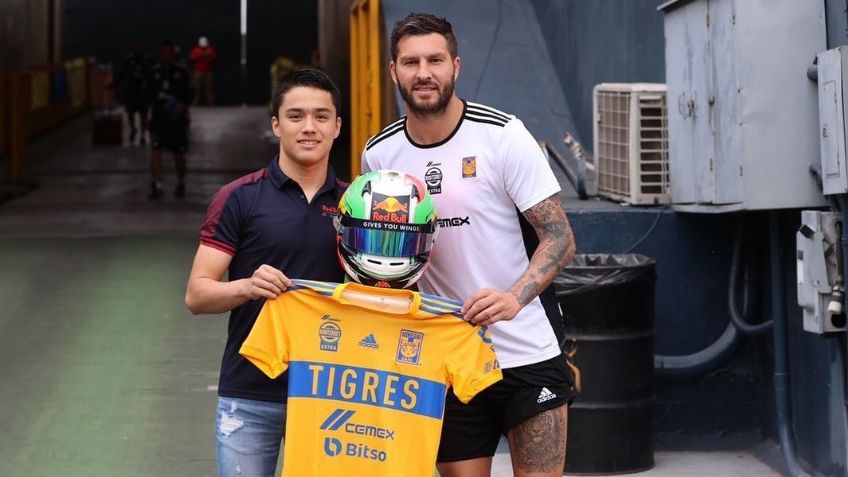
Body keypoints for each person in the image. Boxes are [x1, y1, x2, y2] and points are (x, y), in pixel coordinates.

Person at [361, 12, 578, 477]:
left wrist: (513, 297)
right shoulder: (378, 155)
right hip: (447, 357)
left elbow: (559, 237)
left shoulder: (502, 135)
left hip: (527, 352)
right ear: (393, 71)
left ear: (455, 65)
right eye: (411, 61)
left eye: (435, 59)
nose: (424, 72)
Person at [238, 170, 503, 477]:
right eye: (371, 237)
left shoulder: (454, 328)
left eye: (399, 244)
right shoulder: (294, 305)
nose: (384, 255)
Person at [185, 67, 346, 477]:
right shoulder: (239, 198)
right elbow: (198, 295)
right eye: (295, 116)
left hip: (333, 396)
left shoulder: (357, 207)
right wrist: (247, 285)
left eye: (321, 116)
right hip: (250, 395)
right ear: (276, 124)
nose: (309, 127)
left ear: (337, 126)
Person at [147, 40, 193, 199]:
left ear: (174, 54)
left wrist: (183, 105)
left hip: (176, 119)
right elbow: (149, 95)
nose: (166, 55)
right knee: (156, 151)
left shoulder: (182, 72)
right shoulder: (154, 72)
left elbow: (190, 92)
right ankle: (158, 185)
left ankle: (181, 181)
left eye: (169, 52)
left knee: (178, 154)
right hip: (159, 118)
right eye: (164, 52)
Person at [111, 40, 153, 145]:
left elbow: (153, 75)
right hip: (131, 91)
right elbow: (122, 73)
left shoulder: (148, 60)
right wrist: (114, 84)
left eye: (141, 47)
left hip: (143, 92)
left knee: (144, 114)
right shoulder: (129, 59)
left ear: (144, 48)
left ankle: (143, 135)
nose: (139, 49)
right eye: (137, 47)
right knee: (130, 113)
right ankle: (133, 128)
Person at [190, 36, 218, 106]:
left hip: (208, 72)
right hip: (198, 72)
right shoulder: (196, 50)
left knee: (209, 89)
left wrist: (208, 56)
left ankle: (211, 105)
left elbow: (215, 57)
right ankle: (195, 104)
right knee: (197, 89)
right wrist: (200, 56)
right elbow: (191, 57)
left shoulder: (210, 49)